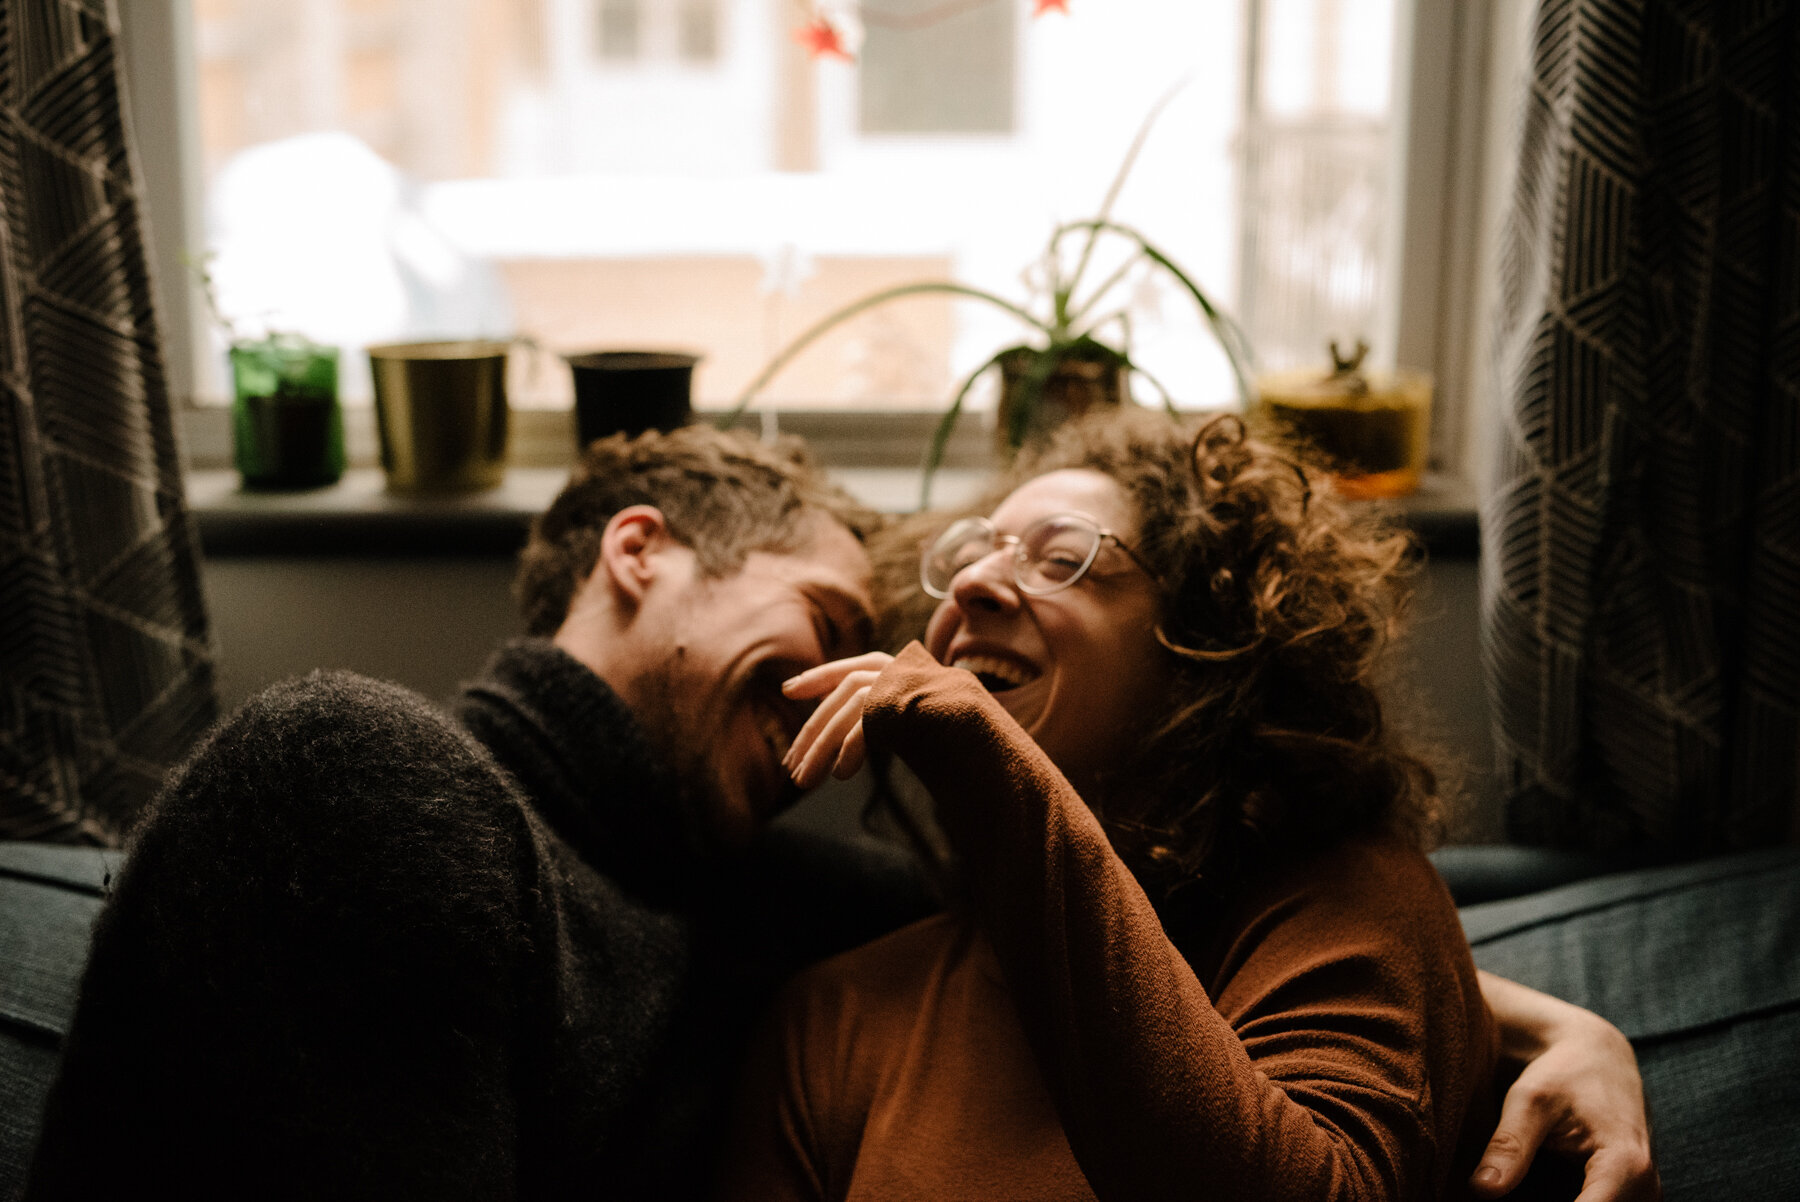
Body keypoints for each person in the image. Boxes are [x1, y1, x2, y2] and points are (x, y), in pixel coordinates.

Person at [25, 424, 1651, 1201]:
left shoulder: (750, 899)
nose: (890, 657)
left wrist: (1544, 1014)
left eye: (1062, 559)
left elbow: (1158, 942)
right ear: (641, 551)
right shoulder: (365, 774)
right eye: (834, 612)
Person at [715, 410, 1656, 1201]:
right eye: (970, 554)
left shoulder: (1347, 902)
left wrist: (1010, 789)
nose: (969, 583)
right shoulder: (834, 1017)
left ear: (1201, 645)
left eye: (1061, 559)